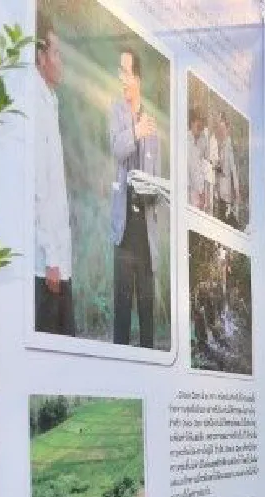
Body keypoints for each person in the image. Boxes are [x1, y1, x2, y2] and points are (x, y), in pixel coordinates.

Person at [110, 47, 162, 349]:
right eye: (119, 71)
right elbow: (117, 149)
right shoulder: (115, 112)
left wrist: (154, 189)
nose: (121, 77)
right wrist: (135, 131)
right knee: (121, 306)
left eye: (126, 71)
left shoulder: (152, 124)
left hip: (146, 228)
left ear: (138, 78)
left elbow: (156, 175)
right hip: (124, 226)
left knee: (146, 307)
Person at [34, 17, 75, 336]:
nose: (61, 61)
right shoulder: (35, 104)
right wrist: (50, 258)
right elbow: (38, 187)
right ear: (40, 57)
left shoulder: (51, 101)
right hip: (46, 268)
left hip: (57, 264)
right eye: (56, 53)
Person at [214, 113, 240, 227]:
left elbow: (232, 168)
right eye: (220, 129)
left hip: (226, 187)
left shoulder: (228, 146)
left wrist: (237, 189)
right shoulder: (220, 144)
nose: (221, 131)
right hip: (219, 186)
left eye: (223, 129)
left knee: (225, 215)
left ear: (227, 129)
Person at [187, 107, 208, 210]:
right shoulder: (186, 141)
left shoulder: (199, 143)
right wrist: (198, 192)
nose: (199, 131)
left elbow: (199, 170)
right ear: (192, 123)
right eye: (198, 126)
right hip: (189, 190)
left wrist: (202, 191)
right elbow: (191, 169)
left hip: (196, 192)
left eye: (201, 128)